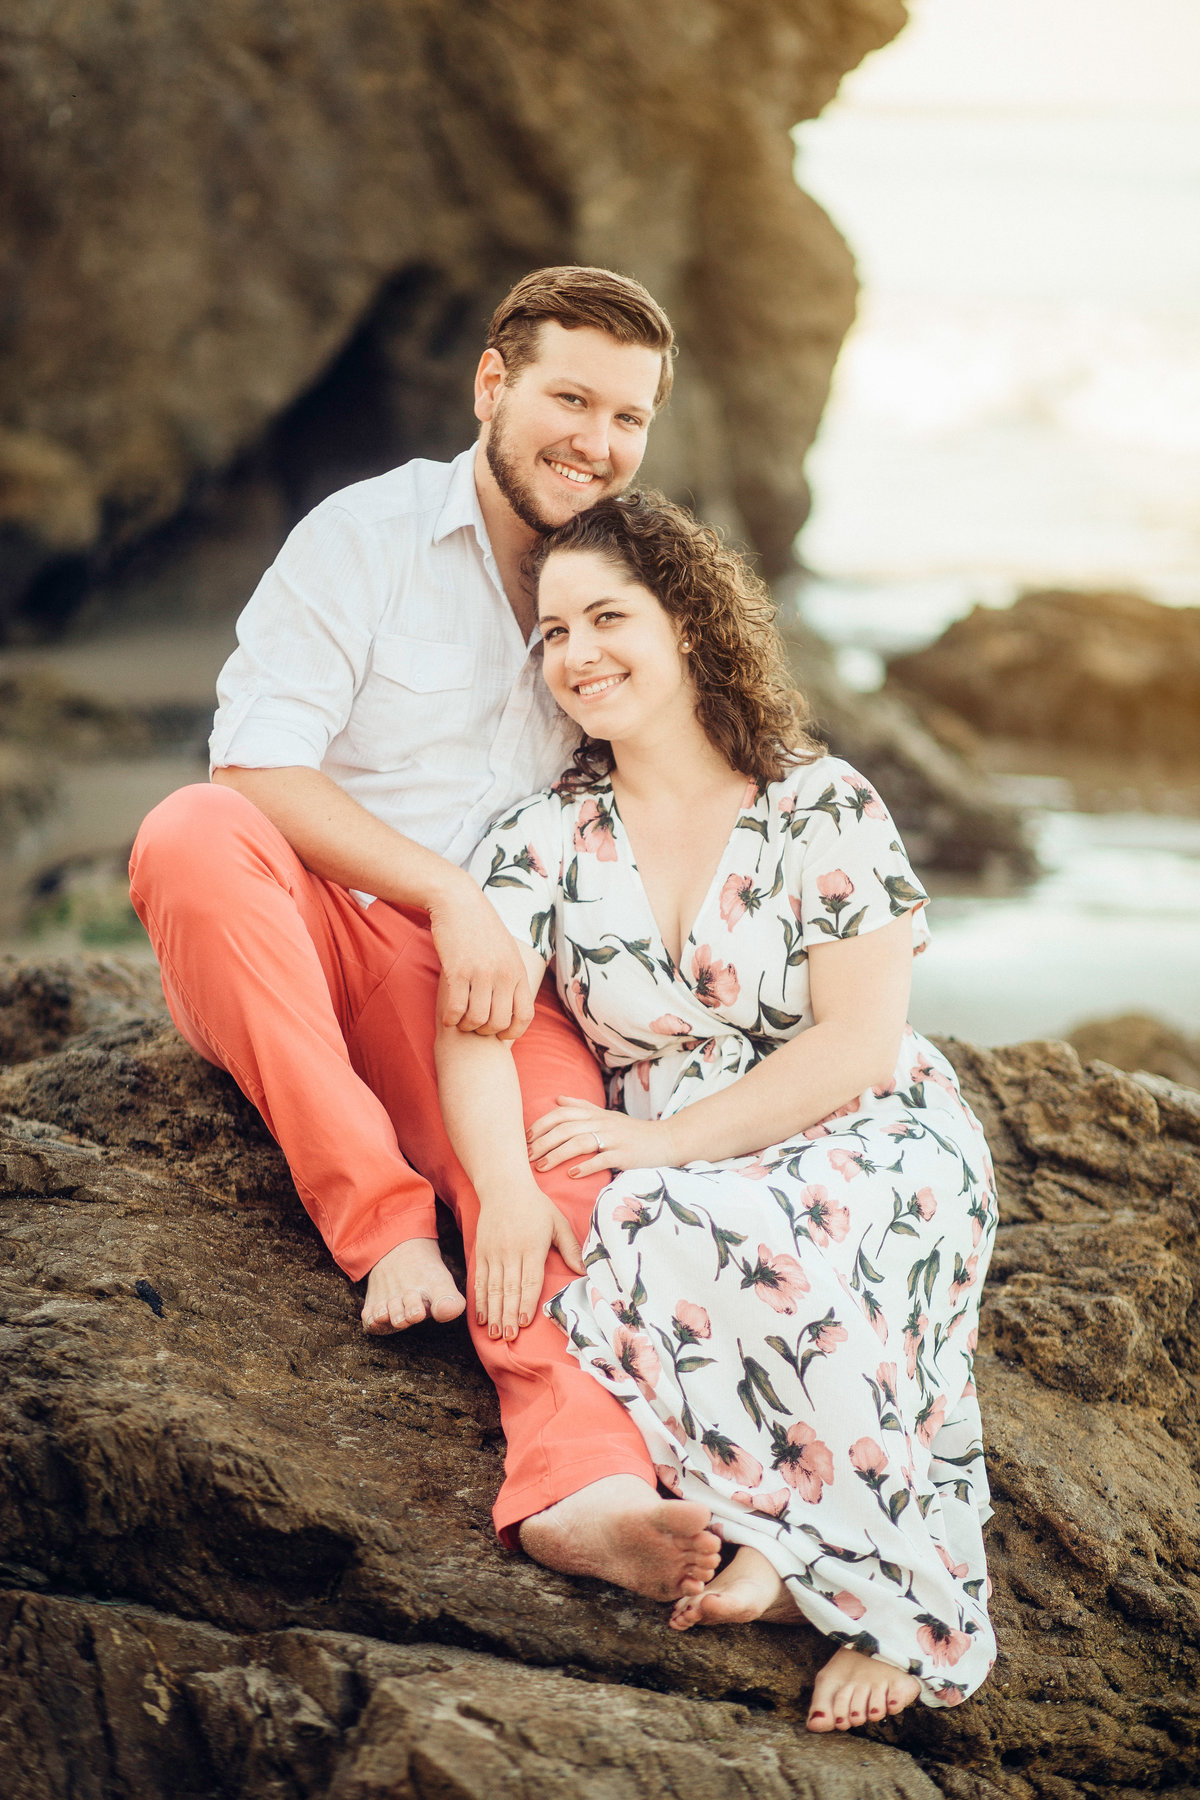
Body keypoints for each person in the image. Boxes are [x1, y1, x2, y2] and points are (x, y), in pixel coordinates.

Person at [128, 267, 723, 1603]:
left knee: (559, 1192)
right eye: (571, 398)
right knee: (187, 836)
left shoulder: (627, 593)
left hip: (489, 990)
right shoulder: (368, 534)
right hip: (303, 932)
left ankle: (585, 1493)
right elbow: (259, 766)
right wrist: (447, 893)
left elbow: (703, 781)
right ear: (492, 386)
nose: (598, 442)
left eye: (630, 418)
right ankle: (382, 1222)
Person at [434, 491, 998, 1731]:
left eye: (606, 618)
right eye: (551, 633)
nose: (576, 655)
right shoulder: (544, 835)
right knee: (650, 1234)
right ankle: (779, 1544)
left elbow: (856, 1036)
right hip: (673, 1153)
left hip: (867, 1122)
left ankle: (897, 1603)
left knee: (784, 1236)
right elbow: (472, 1028)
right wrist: (508, 1197)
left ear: (688, 620)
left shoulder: (821, 803)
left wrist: (667, 1140)